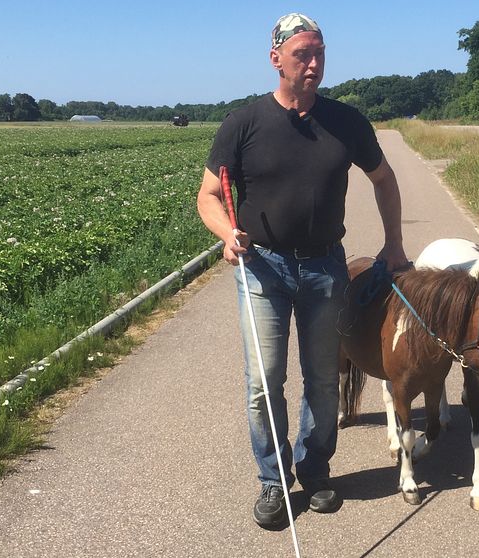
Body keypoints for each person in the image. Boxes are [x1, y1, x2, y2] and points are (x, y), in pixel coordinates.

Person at [196, 13, 409, 528]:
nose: (314, 65)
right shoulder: (242, 124)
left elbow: (384, 180)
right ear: (276, 60)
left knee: (321, 380)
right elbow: (207, 197)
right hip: (261, 269)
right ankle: (273, 479)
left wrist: (395, 244)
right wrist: (227, 235)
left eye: (319, 53)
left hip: (324, 270)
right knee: (263, 383)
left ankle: (314, 472)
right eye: (302, 55)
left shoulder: (347, 122)